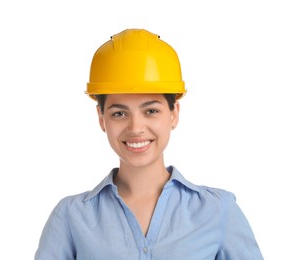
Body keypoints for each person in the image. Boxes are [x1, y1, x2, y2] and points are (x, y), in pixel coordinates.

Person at [35, 28, 263, 259]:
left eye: (151, 111)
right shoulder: (71, 217)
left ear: (174, 114)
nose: (136, 128)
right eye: (119, 114)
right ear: (101, 118)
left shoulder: (218, 211)